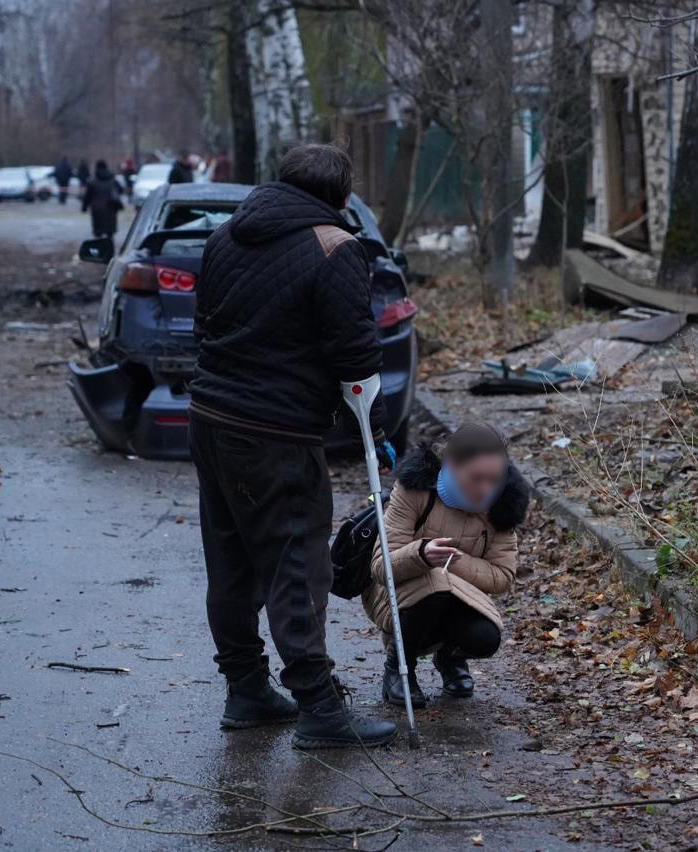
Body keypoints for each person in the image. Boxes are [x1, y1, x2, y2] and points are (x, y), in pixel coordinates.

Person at [188, 143, 398, 749]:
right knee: (297, 565)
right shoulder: (337, 249)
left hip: (211, 419)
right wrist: (375, 431)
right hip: (276, 435)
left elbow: (205, 326)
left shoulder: (225, 238)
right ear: (340, 195)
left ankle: (246, 689)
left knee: (229, 561)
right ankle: (320, 709)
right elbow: (355, 356)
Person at [365, 423, 529, 707]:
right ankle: (399, 668)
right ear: (451, 464)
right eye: (476, 478)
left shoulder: (504, 503)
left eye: (494, 479)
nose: (485, 489)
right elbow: (381, 566)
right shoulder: (414, 489)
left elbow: (503, 576)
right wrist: (422, 554)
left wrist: (453, 560)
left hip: (463, 597)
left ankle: (451, 658)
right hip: (400, 594)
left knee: (485, 637)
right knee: (436, 588)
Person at [81, 160, 122, 239]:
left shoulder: (92, 182)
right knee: (110, 233)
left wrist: (84, 207)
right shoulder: (112, 180)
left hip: (97, 210)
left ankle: (100, 249)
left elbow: (87, 196)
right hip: (111, 208)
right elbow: (120, 190)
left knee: (98, 234)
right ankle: (110, 249)